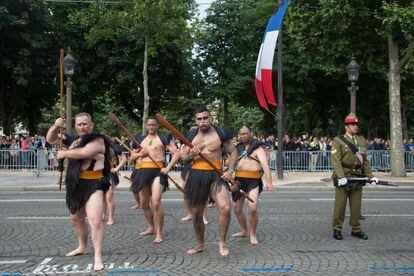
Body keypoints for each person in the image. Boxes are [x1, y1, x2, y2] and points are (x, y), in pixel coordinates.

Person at [46, 113, 112, 271]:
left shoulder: (98, 139)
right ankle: (82, 246)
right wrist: (56, 126)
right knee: (76, 219)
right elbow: (50, 139)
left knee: (95, 220)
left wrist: (65, 153)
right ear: (75, 126)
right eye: (79, 124)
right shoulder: (72, 140)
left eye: (85, 124)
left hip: (94, 182)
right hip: (76, 184)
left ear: (91, 125)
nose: (82, 126)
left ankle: (98, 256)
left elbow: (85, 153)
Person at [179, 106, 237, 256]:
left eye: (205, 118)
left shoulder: (220, 133)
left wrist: (230, 171)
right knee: (197, 214)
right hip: (196, 174)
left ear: (210, 118)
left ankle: (222, 242)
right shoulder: (191, 136)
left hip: (216, 174)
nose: (203, 121)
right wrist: (191, 155)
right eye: (199, 119)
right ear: (196, 120)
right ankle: (200, 244)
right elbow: (183, 159)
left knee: (225, 207)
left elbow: (233, 152)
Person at [129, 118, 180, 243]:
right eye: (149, 125)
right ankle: (151, 227)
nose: (151, 127)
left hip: (158, 172)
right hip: (143, 172)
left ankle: (159, 233)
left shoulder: (163, 139)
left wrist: (168, 168)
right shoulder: (140, 140)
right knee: (144, 204)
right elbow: (131, 158)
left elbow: (176, 153)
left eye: (153, 125)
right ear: (146, 126)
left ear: (157, 127)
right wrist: (140, 154)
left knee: (156, 202)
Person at [331, 113, 378, 240]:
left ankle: (356, 229)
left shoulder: (361, 140)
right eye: (352, 124)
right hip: (344, 177)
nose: (355, 126)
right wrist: (340, 176)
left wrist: (370, 176)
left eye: (356, 124)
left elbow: (364, 161)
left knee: (356, 206)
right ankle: (337, 228)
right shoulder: (338, 140)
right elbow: (336, 160)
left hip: (358, 177)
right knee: (340, 205)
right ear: (346, 126)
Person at [232, 126, 275, 245]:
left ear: (251, 133)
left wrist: (269, 182)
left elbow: (265, 166)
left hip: (253, 181)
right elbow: (231, 164)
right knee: (236, 208)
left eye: (246, 133)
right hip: (239, 180)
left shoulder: (258, 149)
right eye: (241, 134)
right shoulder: (237, 148)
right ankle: (244, 230)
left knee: (253, 208)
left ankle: (252, 234)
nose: (243, 136)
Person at [103, 136, 127, 226]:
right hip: (101, 173)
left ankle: (111, 218)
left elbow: (124, 159)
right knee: (102, 196)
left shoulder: (113, 147)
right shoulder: (97, 147)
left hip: (111, 174)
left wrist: (117, 168)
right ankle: (103, 214)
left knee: (109, 196)